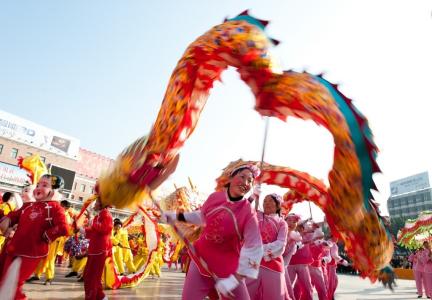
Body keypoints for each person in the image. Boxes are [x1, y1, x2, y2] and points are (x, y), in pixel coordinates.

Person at [161, 162, 264, 299]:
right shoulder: (215, 197)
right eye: (242, 177)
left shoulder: (248, 212)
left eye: (250, 180)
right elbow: (202, 217)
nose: (246, 182)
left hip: (228, 270)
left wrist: (234, 280)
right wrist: (176, 216)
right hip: (201, 261)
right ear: (230, 178)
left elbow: (255, 247)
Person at [0, 174, 69, 299]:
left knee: (13, 285)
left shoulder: (55, 208)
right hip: (14, 249)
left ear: (54, 190)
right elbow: (14, 215)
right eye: (38, 185)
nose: (38, 188)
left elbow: (64, 227)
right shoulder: (29, 205)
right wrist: (8, 220)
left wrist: (46, 235)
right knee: (4, 282)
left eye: (44, 185)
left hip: (31, 252)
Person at [246, 193, 288, 300]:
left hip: (273, 264)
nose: (267, 203)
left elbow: (281, 243)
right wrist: (253, 196)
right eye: (265, 201)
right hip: (252, 263)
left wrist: (260, 250)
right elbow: (243, 207)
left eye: (270, 201)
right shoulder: (257, 215)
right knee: (246, 295)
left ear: (278, 205)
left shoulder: (282, 223)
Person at [82, 197, 113, 300]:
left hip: (99, 250)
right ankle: (100, 296)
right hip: (95, 249)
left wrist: (91, 220)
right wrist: (82, 230)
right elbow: (94, 232)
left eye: (96, 202)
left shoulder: (106, 214)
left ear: (102, 204)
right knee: (90, 276)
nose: (94, 204)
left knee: (91, 277)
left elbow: (104, 229)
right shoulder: (100, 215)